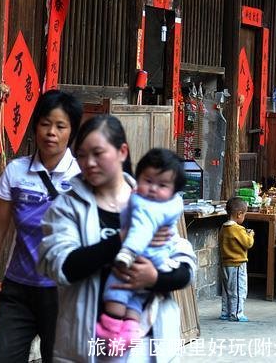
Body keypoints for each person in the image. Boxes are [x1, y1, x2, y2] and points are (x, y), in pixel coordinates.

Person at [38, 115, 196, 363]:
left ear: (122, 152)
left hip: (148, 344)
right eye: (81, 155)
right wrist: (124, 239)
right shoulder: (66, 207)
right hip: (86, 346)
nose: (88, 163)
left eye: (98, 153)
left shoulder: (156, 201)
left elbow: (185, 267)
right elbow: (60, 266)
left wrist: (155, 278)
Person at [0, 89, 83, 363]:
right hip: (18, 290)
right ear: (35, 125)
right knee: (0, 357)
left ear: (71, 132)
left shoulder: (84, 178)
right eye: (45, 124)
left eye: (60, 126)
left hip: (64, 294)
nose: (51, 132)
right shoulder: (15, 171)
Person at [96, 147, 186, 349]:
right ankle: (129, 330)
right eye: (148, 181)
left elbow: (140, 232)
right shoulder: (170, 205)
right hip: (157, 262)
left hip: (135, 260)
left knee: (116, 290)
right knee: (136, 300)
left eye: (162, 185)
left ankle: (110, 330)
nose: (153, 188)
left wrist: (127, 253)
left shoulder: (146, 205)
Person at [218, 196, 254, 322]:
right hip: (237, 264)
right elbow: (248, 243)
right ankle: (237, 314)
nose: (244, 217)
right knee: (239, 290)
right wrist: (250, 234)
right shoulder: (237, 229)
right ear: (239, 214)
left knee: (227, 290)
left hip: (225, 263)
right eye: (244, 214)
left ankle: (225, 312)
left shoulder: (224, 227)